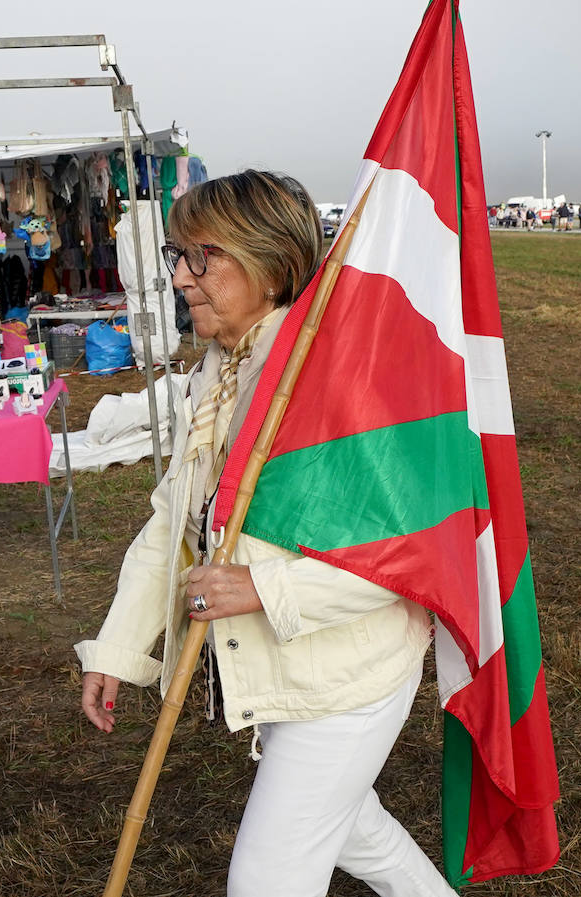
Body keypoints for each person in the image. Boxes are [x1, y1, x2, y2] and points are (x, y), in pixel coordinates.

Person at [75, 170, 455, 897]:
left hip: (345, 673)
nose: (182, 277)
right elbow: (175, 516)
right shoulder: (224, 364)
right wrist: (119, 648)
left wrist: (260, 586)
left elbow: (408, 549)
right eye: (176, 254)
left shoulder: (331, 377)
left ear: (271, 265)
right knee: (349, 825)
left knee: (267, 880)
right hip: (288, 667)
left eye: (202, 256)